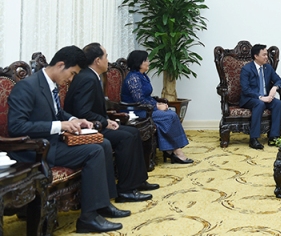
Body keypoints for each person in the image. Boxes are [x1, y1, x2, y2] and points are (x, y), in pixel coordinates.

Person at [7, 46, 127, 233]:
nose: (71, 79)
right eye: (72, 73)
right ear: (60, 65)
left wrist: (74, 120)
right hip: (36, 150)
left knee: (103, 143)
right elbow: (16, 127)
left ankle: (102, 205)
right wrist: (59, 126)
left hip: (53, 143)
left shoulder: (49, 83)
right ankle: (88, 219)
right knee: (94, 151)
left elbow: (57, 112)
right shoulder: (27, 87)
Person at [64, 43, 158, 203]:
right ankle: (126, 190)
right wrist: (104, 122)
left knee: (133, 132)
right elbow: (82, 112)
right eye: (106, 56)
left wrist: (106, 120)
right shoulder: (87, 78)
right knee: (127, 137)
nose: (108, 60)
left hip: (95, 123)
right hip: (85, 128)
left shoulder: (91, 76)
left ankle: (137, 181)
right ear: (97, 60)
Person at [121, 50, 193, 164]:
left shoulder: (143, 76)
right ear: (139, 62)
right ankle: (176, 151)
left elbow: (147, 97)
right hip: (136, 111)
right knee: (169, 116)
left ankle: (171, 150)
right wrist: (156, 106)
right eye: (146, 60)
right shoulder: (133, 78)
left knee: (169, 114)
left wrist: (158, 104)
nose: (148, 62)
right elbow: (139, 100)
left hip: (145, 108)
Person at [239, 44, 281, 150]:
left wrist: (275, 87)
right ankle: (253, 139)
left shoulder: (268, 68)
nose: (266, 57)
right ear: (256, 56)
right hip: (250, 98)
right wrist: (260, 97)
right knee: (259, 104)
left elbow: (279, 80)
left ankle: (273, 137)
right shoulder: (246, 69)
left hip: (266, 97)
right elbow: (246, 89)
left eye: (267, 54)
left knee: (278, 103)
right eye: (264, 55)